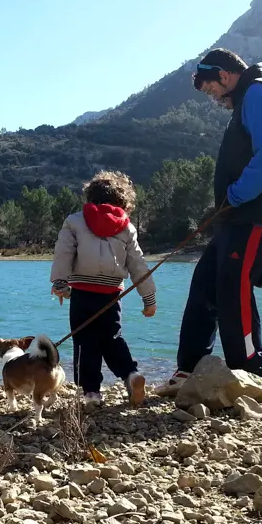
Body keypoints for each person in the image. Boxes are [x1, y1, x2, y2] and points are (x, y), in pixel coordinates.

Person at [167, 48, 262, 388]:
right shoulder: (249, 96)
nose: (212, 96)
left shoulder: (261, 91)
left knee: (233, 289)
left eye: (211, 88)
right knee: (206, 283)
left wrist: (237, 194)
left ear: (225, 76)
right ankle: (191, 370)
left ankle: (249, 375)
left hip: (259, 215)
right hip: (240, 218)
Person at [50, 170, 156, 407]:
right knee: (112, 337)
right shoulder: (126, 227)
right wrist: (148, 298)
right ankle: (131, 374)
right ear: (123, 201)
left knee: (84, 340)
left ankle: (91, 393)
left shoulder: (75, 221)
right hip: (111, 294)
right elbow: (138, 264)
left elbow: (64, 253)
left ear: (90, 197)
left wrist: (60, 282)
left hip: (82, 292)